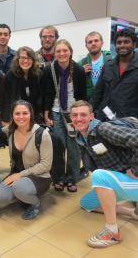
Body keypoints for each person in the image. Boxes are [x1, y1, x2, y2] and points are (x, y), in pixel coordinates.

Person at [69, 100, 138, 248]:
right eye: (74, 115)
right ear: (71, 118)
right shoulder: (82, 137)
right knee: (86, 204)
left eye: (83, 115)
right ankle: (135, 212)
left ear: (91, 116)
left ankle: (112, 232)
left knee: (98, 176)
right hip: (120, 181)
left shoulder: (103, 129)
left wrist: (135, 168)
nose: (78, 119)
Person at [42, 39, 86, 192]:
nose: (61, 54)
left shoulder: (79, 70)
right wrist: (46, 114)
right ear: (55, 53)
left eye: (64, 50)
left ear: (70, 51)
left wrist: (82, 116)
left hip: (74, 114)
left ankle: (72, 178)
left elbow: (82, 95)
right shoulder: (49, 70)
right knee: (58, 146)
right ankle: (59, 178)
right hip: (55, 112)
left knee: (74, 147)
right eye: (58, 51)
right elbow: (47, 93)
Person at [0, 100, 52, 220]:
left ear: (31, 114)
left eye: (25, 113)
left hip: (39, 176)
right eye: (17, 113)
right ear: (12, 115)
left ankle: (34, 203)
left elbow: (46, 165)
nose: (21, 117)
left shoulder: (42, 134)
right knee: (2, 197)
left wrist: (19, 175)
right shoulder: (9, 131)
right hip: (17, 174)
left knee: (19, 188)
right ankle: (24, 194)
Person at [90, 29, 138, 126]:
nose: (122, 45)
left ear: (134, 44)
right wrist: (88, 112)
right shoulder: (108, 66)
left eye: (126, 42)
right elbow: (97, 93)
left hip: (130, 122)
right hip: (105, 119)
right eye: (119, 42)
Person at [2, 46, 43, 126]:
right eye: (23, 58)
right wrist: (6, 118)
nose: (25, 61)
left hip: (34, 116)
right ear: (17, 59)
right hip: (16, 116)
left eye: (29, 58)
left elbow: (41, 96)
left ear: (33, 60)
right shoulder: (10, 75)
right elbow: (5, 99)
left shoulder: (39, 74)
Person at [78, 31, 112, 100]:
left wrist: (110, 70)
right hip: (88, 102)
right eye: (90, 42)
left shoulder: (111, 60)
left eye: (96, 41)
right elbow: (75, 86)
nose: (93, 43)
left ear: (102, 43)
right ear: (86, 46)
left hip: (107, 101)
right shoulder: (80, 64)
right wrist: (80, 73)